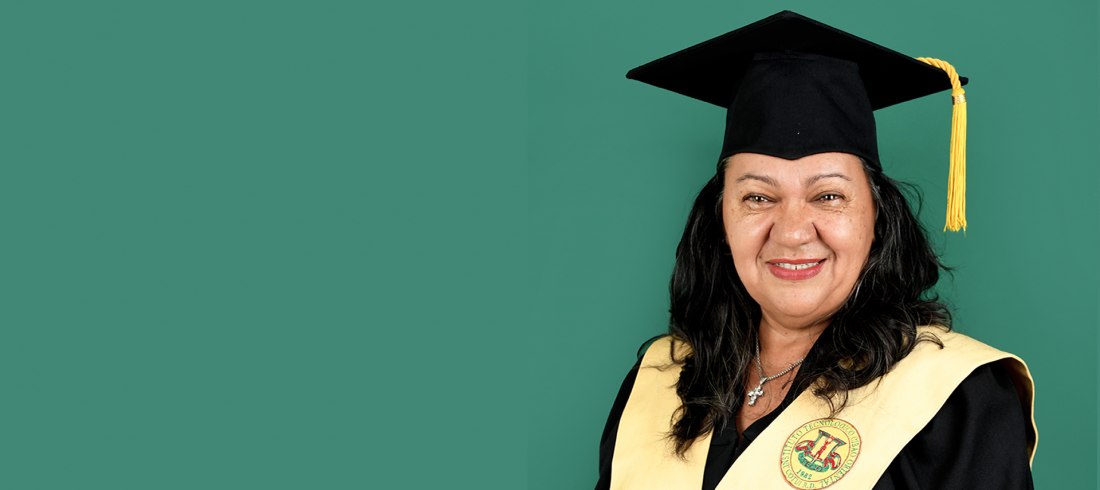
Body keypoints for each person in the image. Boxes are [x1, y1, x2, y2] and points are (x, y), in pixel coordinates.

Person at [595, 11, 1036, 490]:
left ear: (878, 221)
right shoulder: (660, 380)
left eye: (828, 196)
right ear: (720, 223)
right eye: (757, 197)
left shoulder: (954, 397)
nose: (791, 233)